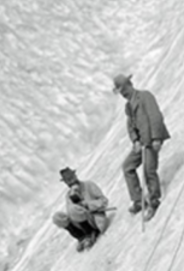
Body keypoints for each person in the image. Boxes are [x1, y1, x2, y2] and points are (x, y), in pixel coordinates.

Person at [113, 73, 170, 222]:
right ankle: (138, 200)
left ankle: (154, 200)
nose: (123, 94)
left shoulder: (145, 96)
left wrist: (156, 138)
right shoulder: (128, 106)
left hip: (152, 140)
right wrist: (135, 141)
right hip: (141, 143)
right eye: (121, 92)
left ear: (129, 85)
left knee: (148, 169)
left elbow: (156, 116)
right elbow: (130, 126)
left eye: (124, 90)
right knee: (127, 166)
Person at [52, 167, 110, 251]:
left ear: (75, 175)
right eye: (68, 180)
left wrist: (87, 204)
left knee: (73, 208)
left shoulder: (89, 184)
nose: (71, 181)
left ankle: (91, 233)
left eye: (72, 178)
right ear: (65, 182)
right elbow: (70, 213)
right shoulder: (68, 195)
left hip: (94, 218)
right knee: (57, 217)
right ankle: (82, 237)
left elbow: (104, 201)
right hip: (80, 220)